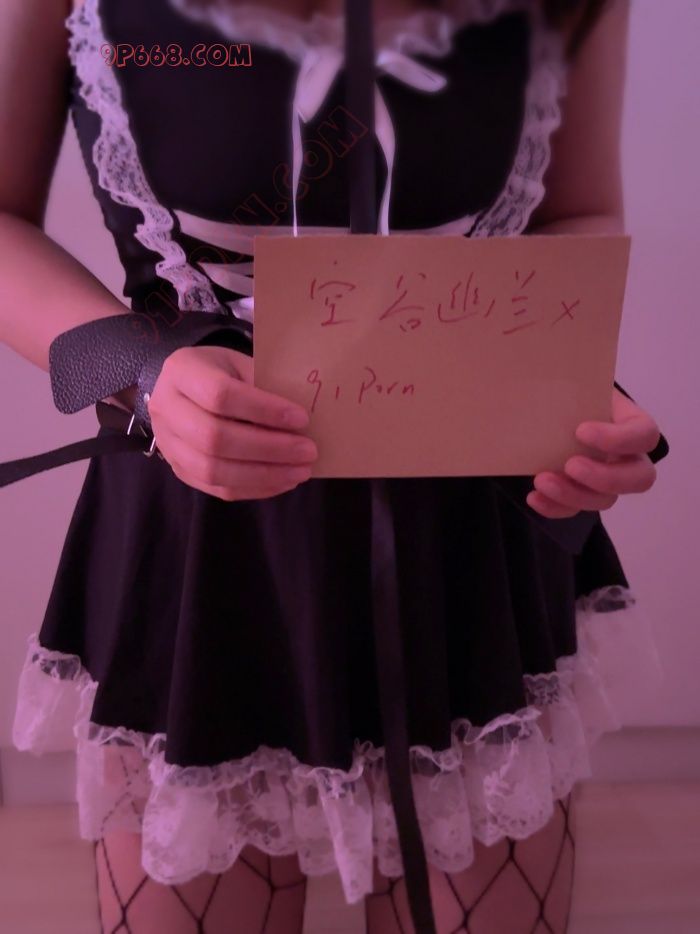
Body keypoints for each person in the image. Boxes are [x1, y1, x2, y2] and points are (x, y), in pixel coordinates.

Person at [0, 0, 669, 931]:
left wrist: (570, 386)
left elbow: (578, 210)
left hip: (467, 544)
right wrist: (141, 370)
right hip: (198, 539)